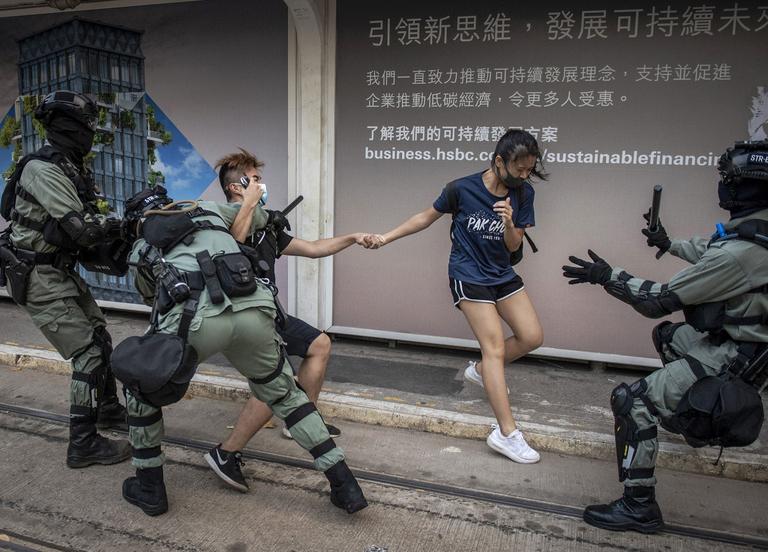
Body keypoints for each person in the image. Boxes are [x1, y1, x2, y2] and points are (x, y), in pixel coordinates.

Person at [117, 185, 367, 516]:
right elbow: (260, 220)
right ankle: (344, 486)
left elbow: (153, 300)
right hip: (254, 308)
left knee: (141, 389)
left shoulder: (142, 244)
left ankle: (149, 489)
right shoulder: (207, 208)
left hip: (196, 319)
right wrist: (253, 207)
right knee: (286, 396)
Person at [562, 140, 768, 533]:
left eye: (729, 179)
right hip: (749, 347)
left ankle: (639, 505)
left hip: (734, 356)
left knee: (632, 401)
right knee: (671, 337)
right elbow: (713, 246)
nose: (723, 186)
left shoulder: (739, 256)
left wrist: (608, 277)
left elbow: (657, 299)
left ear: (748, 186)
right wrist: (667, 243)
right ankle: (694, 410)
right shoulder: (756, 233)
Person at [367, 129, 546, 464]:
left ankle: (481, 371)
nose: (524, 176)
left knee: (532, 336)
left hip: (501, 273)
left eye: (529, 170)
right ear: (498, 161)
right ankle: (506, 434)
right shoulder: (461, 189)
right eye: (519, 169)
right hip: (468, 274)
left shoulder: (524, 194)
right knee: (493, 347)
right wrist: (386, 238)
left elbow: (513, 245)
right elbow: (425, 217)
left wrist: (509, 222)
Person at [203, 149, 371, 492]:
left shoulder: (266, 228)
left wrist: (352, 238)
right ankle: (225, 453)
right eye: (255, 180)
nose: (262, 185)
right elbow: (231, 247)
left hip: (266, 314)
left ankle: (298, 419)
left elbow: (312, 247)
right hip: (238, 320)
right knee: (276, 382)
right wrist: (249, 203)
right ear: (239, 187)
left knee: (319, 344)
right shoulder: (216, 223)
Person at [0, 90, 130, 468]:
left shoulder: (70, 167)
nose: (90, 135)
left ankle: (106, 409)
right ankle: (83, 443)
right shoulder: (43, 170)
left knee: (100, 338)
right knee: (87, 353)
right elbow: (83, 230)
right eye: (86, 127)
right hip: (38, 275)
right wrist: (125, 224)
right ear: (68, 128)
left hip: (58, 271)